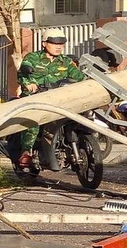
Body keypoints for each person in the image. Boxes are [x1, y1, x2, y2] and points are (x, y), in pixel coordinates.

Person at [13, 30, 84, 180]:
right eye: (55, 43)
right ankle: (26, 152)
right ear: (44, 43)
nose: (59, 47)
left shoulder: (66, 61)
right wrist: (29, 84)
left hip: (58, 100)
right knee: (33, 123)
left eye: (61, 44)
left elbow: (79, 77)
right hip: (35, 99)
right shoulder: (33, 58)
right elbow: (22, 74)